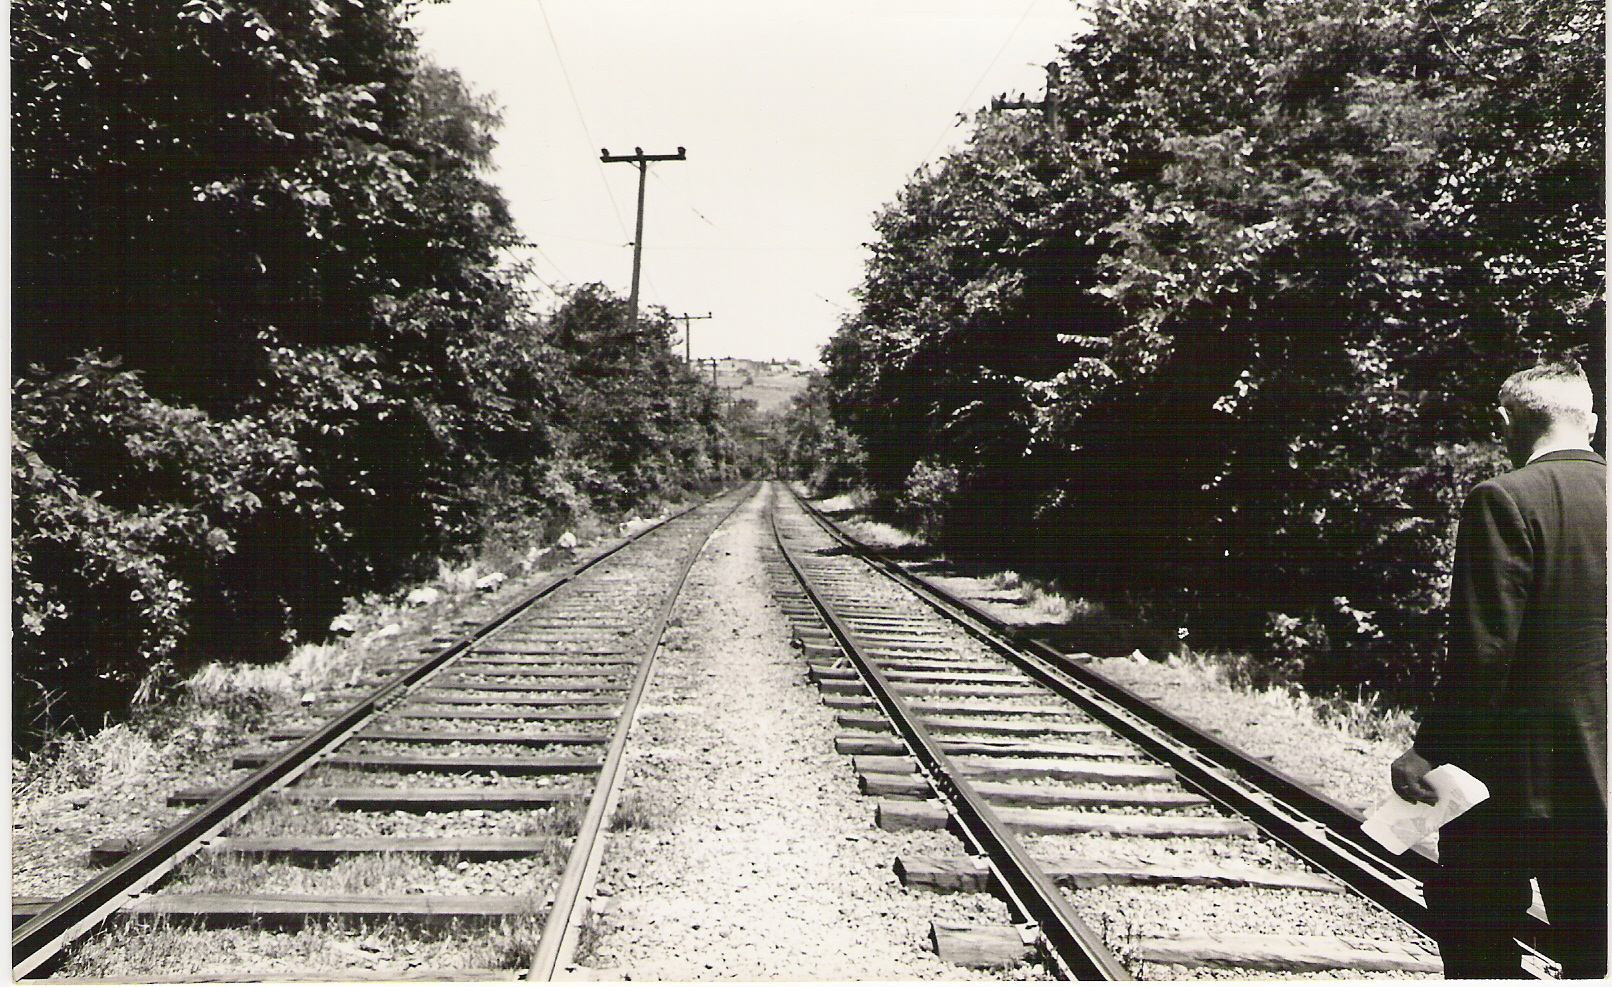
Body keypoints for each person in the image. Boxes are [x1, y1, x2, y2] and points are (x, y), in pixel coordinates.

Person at [1391, 360, 1606, 979]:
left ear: (1506, 424)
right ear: (1590, 422)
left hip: (1518, 785)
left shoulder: (1504, 500)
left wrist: (1428, 753)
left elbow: (1485, 651)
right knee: (1596, 954)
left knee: (1472, 926)